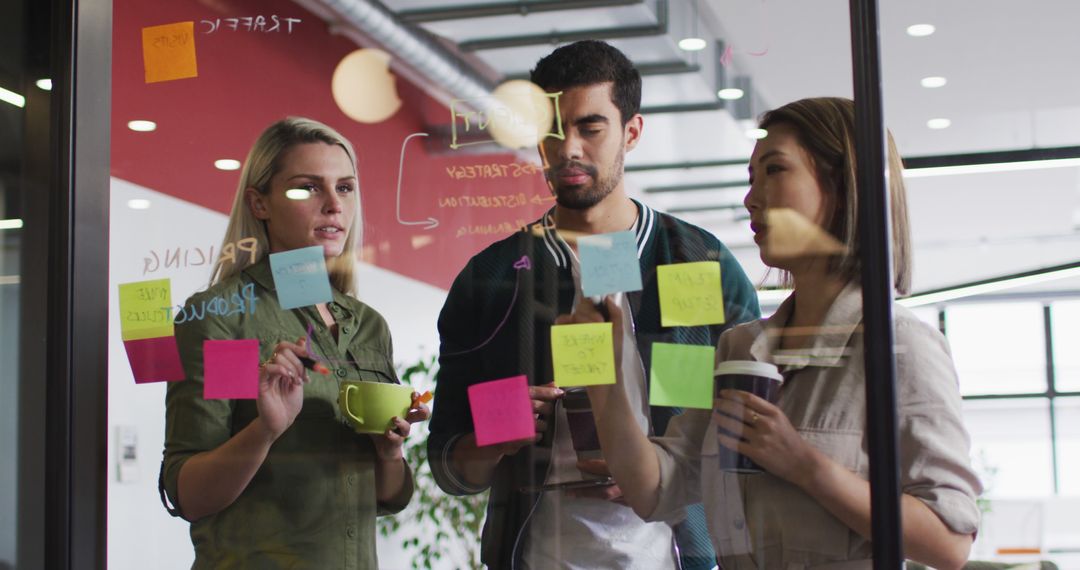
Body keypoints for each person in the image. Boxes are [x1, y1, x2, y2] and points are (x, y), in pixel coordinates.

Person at [577, 97, 983, 569]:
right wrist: (604, 374)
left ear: (842, 184)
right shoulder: (741, 346)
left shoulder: (898, 345)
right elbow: (654, 489)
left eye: (775, 171)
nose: (752, 197)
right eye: (752, 178)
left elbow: (949, 542)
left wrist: (804, 465)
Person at [427, 40, 760, 569]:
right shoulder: (490, 281)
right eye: (553, 132)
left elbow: (754, 439)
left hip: (677, 555)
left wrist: (659, 479)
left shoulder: (698, 262)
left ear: (632, 132)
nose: (568, 149)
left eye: (590, 127)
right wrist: (496, 438)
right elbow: (449, 466)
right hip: (534, 554)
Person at [159, 117, 429, 569]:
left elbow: (386, 498)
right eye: (308, 188)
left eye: (345, 188)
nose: (333, 206)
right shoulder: (225, 318)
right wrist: (264, 430)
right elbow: (188, 494)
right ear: (259, 203)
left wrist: (389, 451)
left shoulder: (366, 325)